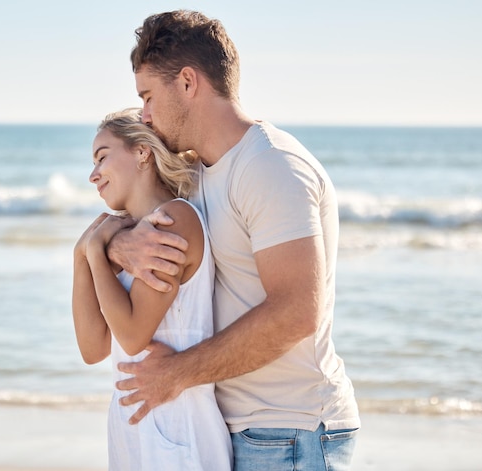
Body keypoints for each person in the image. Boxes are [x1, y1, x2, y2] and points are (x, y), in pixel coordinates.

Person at [104, 10, 361, 471]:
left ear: (187, 82)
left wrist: (175, 375)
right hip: (236, 428)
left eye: (147, 96)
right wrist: (112, 243)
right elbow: (137, 223)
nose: (143, 114)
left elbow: (297, 312)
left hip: (292, 432)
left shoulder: (270, 165)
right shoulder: (198, 174)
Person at [72, 108, 232, 471]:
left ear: (142, 152)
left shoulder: (176, 219)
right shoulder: (128, 238)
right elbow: (92, 348)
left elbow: (131, 337)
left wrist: (95, 251)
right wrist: (81, 257)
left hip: (179, 427)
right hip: (133, 426)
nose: (93, 175)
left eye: (102, 157)